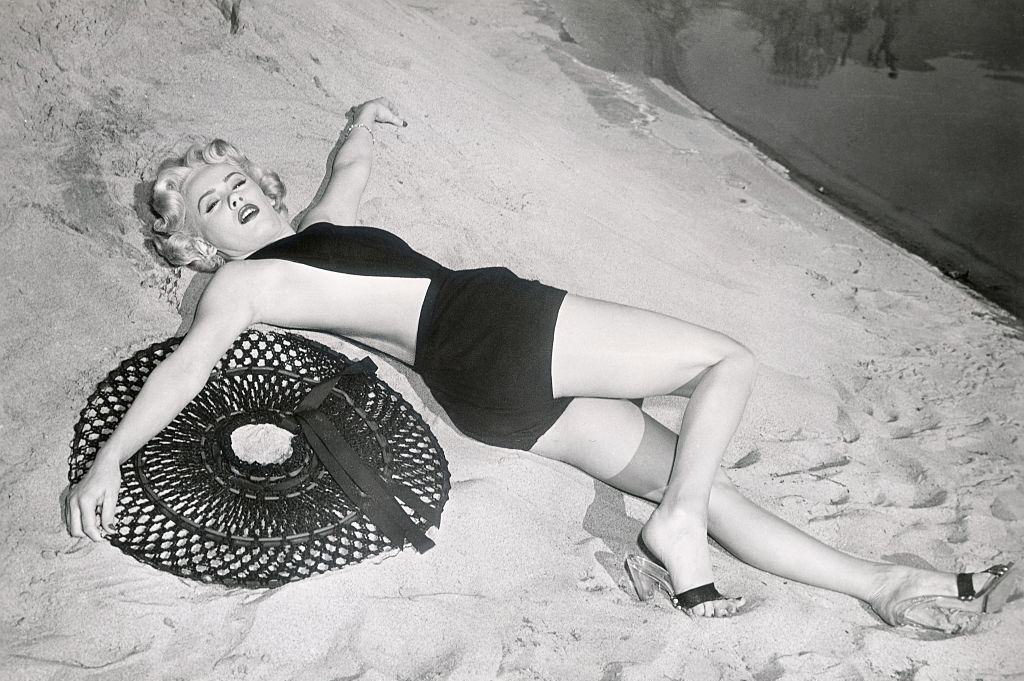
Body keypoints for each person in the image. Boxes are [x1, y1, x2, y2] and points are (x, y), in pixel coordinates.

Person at [64, 98, 1012, 631]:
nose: (229, 196)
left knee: (707, 481)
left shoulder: (316, 234)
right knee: (728, 360)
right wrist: (110, 461)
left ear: (261, 187)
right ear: (195, 247)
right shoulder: (240, 289)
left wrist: (363, 120)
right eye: (204, 204)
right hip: (492, 327)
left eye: (234, 181)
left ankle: (884, 585)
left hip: (483, 392)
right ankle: (672, 530)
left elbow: (346, 174)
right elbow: (187, 370)